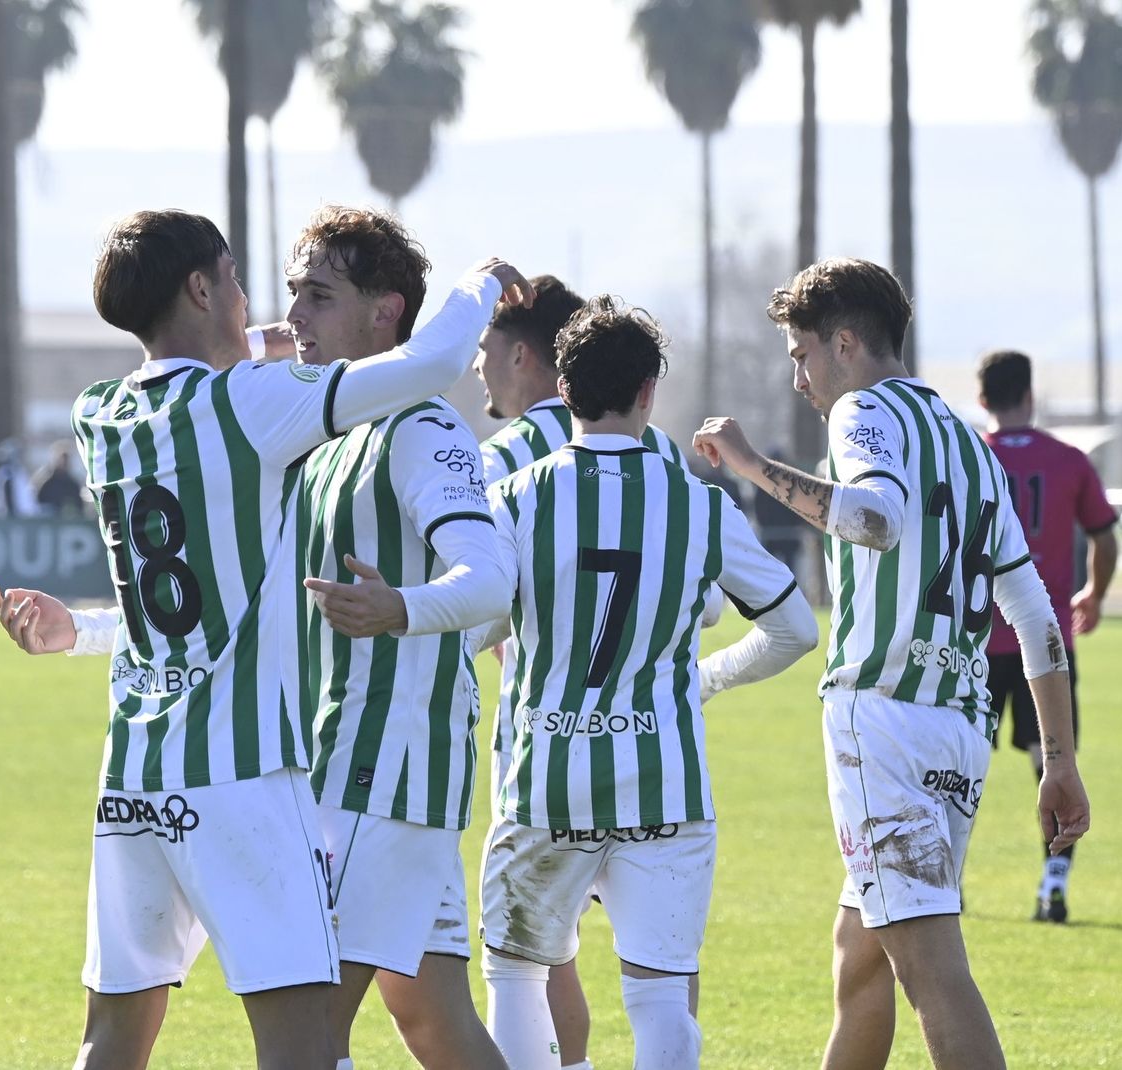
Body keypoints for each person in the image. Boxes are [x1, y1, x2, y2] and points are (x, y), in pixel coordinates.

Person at [0, 208, 532, 1070]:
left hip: (135, 771)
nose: (273, 310)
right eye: (247, 284)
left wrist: (83, 631)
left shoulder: (100, 414)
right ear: (204, 288)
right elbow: (428, 362)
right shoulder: (255, 410)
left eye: (313, 295)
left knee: (117, 1038)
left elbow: (199, 594)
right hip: (248, 777)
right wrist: (484, 283)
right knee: (308, 1041)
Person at [329, 295, 816, 1070]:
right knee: (660, 997)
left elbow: (476, 622)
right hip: (666, 785)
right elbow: (796, 629)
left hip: (544, 783)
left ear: (562, 384)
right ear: (650, 392)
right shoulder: (695, 502)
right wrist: (705, 679)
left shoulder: (516, 498)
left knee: (518, 978)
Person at [693, 258, 1090, 1070]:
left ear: (845, 343)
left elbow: (874, 519)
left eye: (802, 354)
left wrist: (749, 466)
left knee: (933, 971)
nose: (798, 377)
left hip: (884, 724)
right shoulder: (972, 449)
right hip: (958, 733)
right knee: (862, 958)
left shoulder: (862, 411)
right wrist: (1058, 760)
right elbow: (1037, 617)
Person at [279, 206, 509, 1069]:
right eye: (294, 292)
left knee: (303, 1030)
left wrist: (398, 609)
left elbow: (488, 579)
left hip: (382, 773)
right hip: (363, 769)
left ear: (387, 311)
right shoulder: (333, 431)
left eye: (319, 295)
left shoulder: (422, 427)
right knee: (437, 1025)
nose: (297, 314)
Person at [470, 273, 701, 1070]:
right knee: (661, 972)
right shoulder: (660, 456)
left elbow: (470, 609)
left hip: (542, 746)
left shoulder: (498, 467)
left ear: (535, 359)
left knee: (530, 957)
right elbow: (702, 601)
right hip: (652, 750)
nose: (478, 367)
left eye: (486, 349)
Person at [976, 349, 1116, 924]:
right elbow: (1104, 537)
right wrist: (1095, 593)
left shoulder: (970, 458)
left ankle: (945, 882)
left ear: (982, 400)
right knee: (1052, 762)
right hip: (1047, 641)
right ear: (1030, 397)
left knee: (956, 763)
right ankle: (1053, 880)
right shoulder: (1070, 460)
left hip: (975, 642)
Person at [0, 440, 38, 517]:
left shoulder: (19, 471)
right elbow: (7, 499)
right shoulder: (5, 473)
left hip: (25, 517)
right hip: (12, 518)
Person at [33, 444, 87, 517]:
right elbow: (36, 502)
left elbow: (79, 506)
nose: (64, 463)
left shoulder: (73, 484)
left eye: (66, 460)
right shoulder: (45, 481)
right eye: (61, 459)